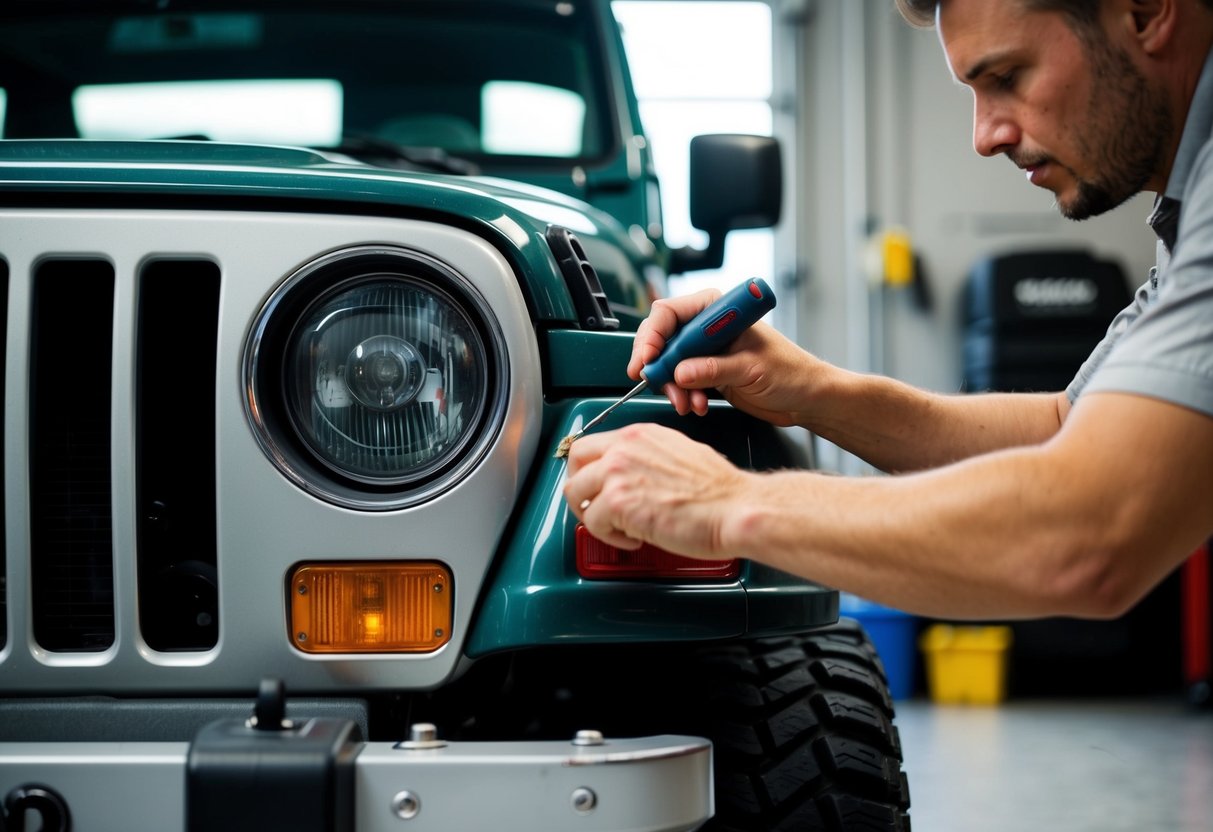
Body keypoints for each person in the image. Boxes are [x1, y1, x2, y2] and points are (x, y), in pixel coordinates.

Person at [563, 0, 1213, 620]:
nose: (985, 136)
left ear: (1145, 11)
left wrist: (717, 502)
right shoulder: (1187, 217)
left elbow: (1087, 531)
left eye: (1007, 77)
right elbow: (1065, 428)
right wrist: (813, 392)